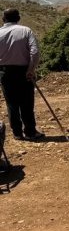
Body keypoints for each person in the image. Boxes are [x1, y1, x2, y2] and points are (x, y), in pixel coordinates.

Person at [0, 8, 42, 141]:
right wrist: (31, 69)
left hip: (5, 72)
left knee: (11, 103)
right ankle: (30, 132)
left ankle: (17, 133)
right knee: (27, 102)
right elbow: (34, 52)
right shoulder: (26, 30)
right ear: (18, 18)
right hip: (23, 71)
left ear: (3, 19)